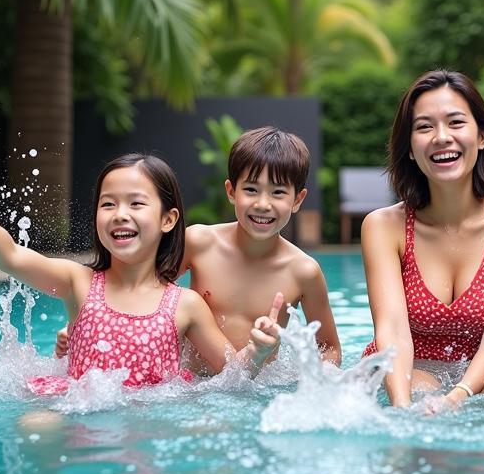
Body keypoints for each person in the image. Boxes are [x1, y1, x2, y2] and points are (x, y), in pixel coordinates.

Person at [0, 153, 281, 395]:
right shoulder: (77, 283)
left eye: (136, 203)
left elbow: (233, 376)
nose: (120, 214)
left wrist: (260, 351)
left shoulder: (184, 305)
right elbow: (9, 255)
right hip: (80, 416)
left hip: (153, 423)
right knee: (36, 422)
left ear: (168, 219)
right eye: (108, 203)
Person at [56, 127, 341, 372]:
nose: (263, 204)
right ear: (231, 191)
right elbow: (141, 290)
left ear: (297, 199)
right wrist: (86, 329)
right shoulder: (200, 243)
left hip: (254, 389)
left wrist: (320, 386)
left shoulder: (303, 271)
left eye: (278, 193)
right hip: (189, 386)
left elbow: (329, 349)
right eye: (251, 190)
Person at [361, 69, 484, 412]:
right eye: (424, 127)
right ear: (410, 150)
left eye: (455, 122)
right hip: (408, 369)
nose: (441, 137)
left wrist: (456, 397)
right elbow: (392, 333)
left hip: (482, 368)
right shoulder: (383, 226)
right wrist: (403, 412)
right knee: (419, 392)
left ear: (482, 136)